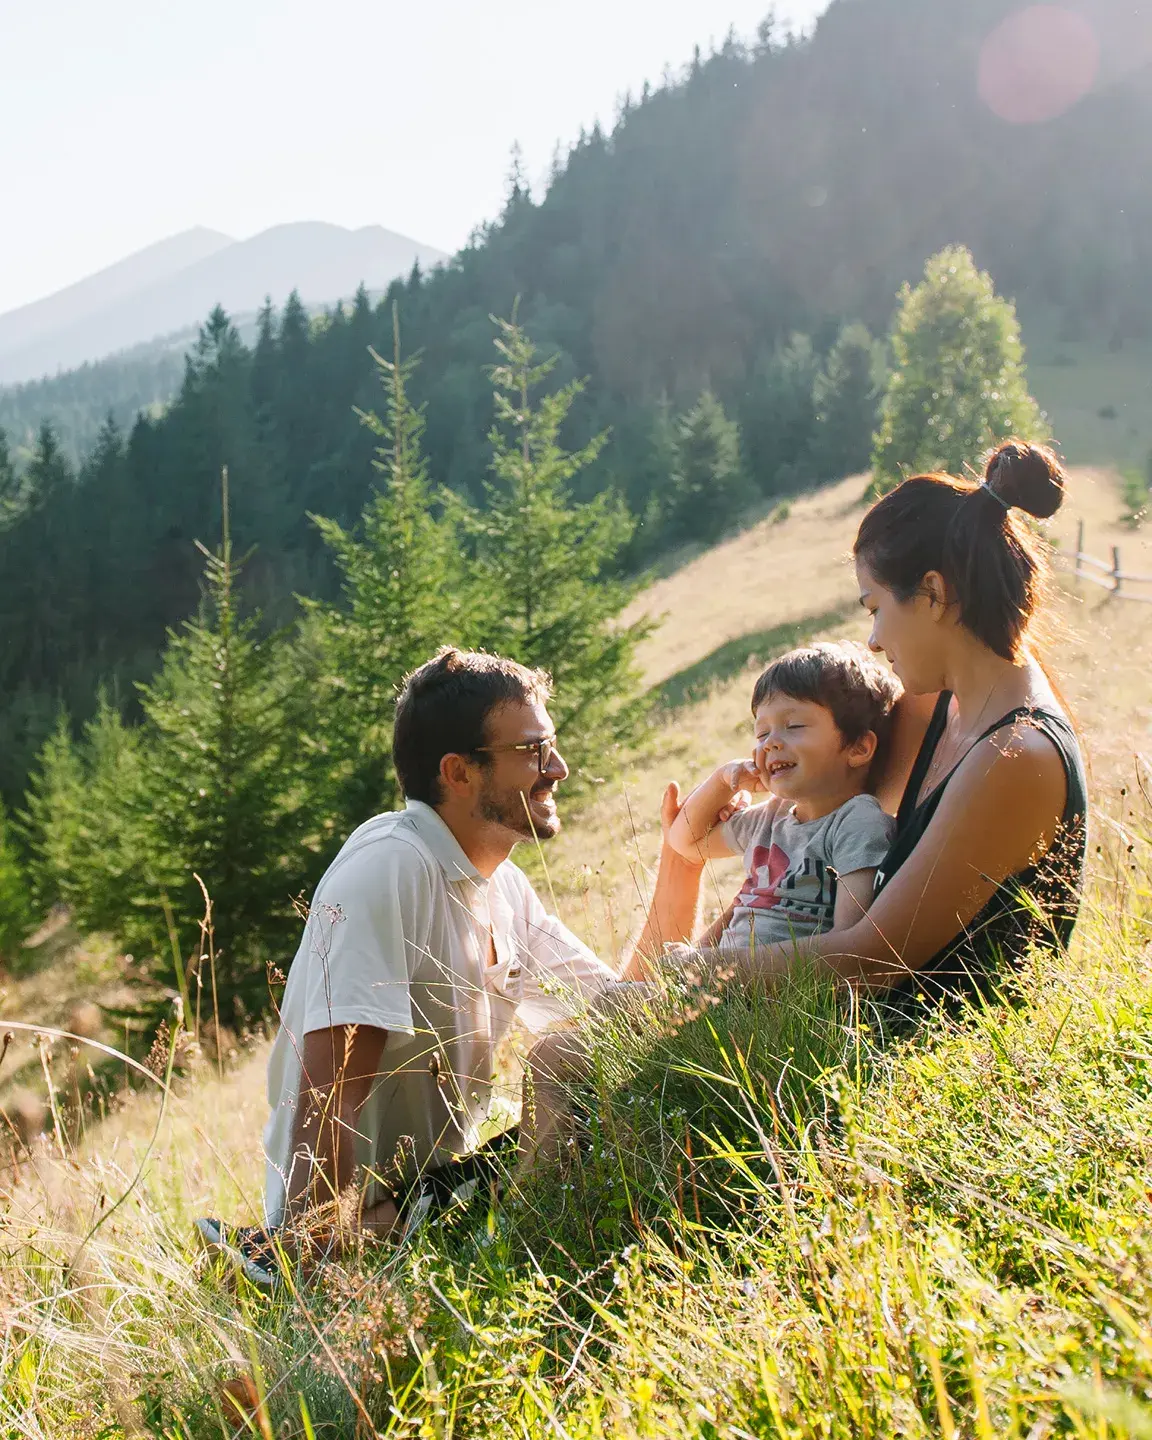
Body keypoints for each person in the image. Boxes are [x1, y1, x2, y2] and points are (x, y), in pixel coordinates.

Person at [198, 646, 685, 1284]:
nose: (558, 768)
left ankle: (352, 1237)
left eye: (552, 745)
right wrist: (322, 1253)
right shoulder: (390, 866)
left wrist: (684, 857)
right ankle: (281, 1257)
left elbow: (623, 1016)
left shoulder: (502, 888)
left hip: (428, 1198)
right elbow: (331, 1081)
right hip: (349, 1214)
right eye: (533, 751)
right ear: (458, 772)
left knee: (609, 1101)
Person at [662, 440, 1088, 1014]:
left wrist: (701, 973)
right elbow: (807, 837)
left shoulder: (1017, 755)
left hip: (909, 1052)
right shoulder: (935, 707)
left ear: (933, 594)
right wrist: (718, 947)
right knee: (569, 1048)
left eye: (875, 608)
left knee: (559, 1058)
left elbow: (873, 959)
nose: (874, 639)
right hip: (826, 1009)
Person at [667, 642, 901, 951]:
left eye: (794, 726)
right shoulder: (770, 817)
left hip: (778, 986)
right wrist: (723, 781)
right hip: (722, 981)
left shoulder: (857, 823)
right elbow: (686, 842)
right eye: (762, 733)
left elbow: (848, 944)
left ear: (858, 748)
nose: (770, 743)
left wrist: (721, 967)